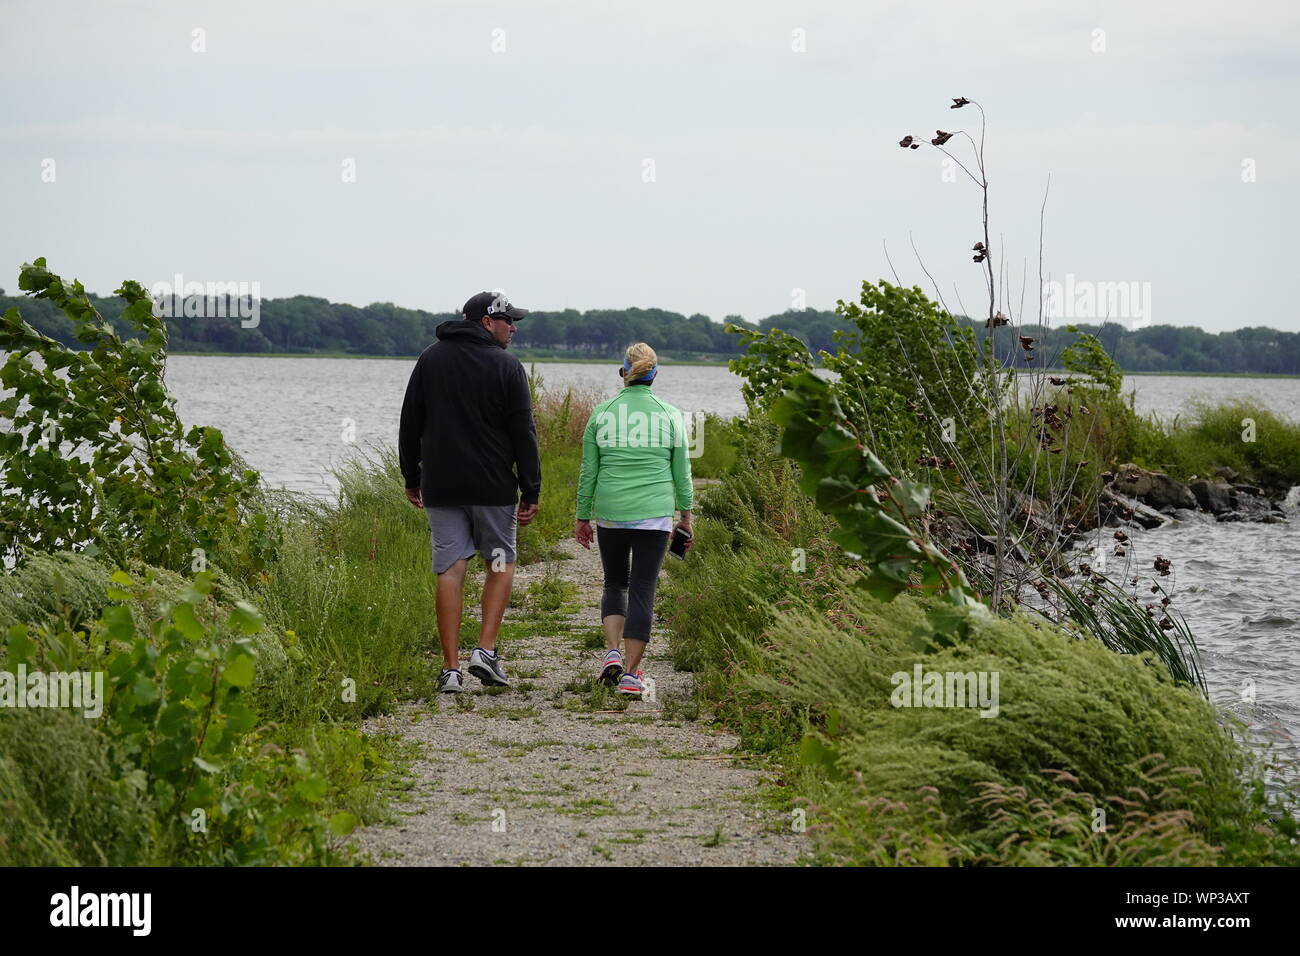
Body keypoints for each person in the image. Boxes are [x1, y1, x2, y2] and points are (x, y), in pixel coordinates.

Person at [399, 291, 541, 693]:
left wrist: (412, 476)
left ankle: (450, 670)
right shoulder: (506, 365)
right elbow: (523, 432)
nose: (513, 328)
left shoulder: (430, 359)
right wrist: (531, 487)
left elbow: (410, 422)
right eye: (508, 321)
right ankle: (486, 652)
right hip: (492, 486)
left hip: (441, 485)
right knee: (499, 563)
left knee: (450, 569)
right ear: (486, 321)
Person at [574, 342, 693, 698]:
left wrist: (582, 516)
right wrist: (686, 516)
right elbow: (682, 473)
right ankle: (630, 675)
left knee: (614, 583)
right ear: (655, 374)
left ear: (623, 371)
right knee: (643, 590)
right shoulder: (670, 415)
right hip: (654, 515)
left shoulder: (602, 413)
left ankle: (611, 652)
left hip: (611, 512)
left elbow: (588, 472)